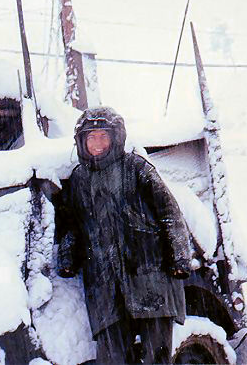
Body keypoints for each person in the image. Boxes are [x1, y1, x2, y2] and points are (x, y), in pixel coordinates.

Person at [53, 106, 191, 364]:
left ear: (116, 138)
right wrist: (68, 258)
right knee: (112, 358)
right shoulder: (79, 180)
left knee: (156, 357)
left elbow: (169, 211)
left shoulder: (136, 168)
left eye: (103, 136)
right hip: (105, 286)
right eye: (90, 137)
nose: (97, 143)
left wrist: (180, 258)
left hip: (150, 278)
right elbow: (71, 224)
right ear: (81, 142)